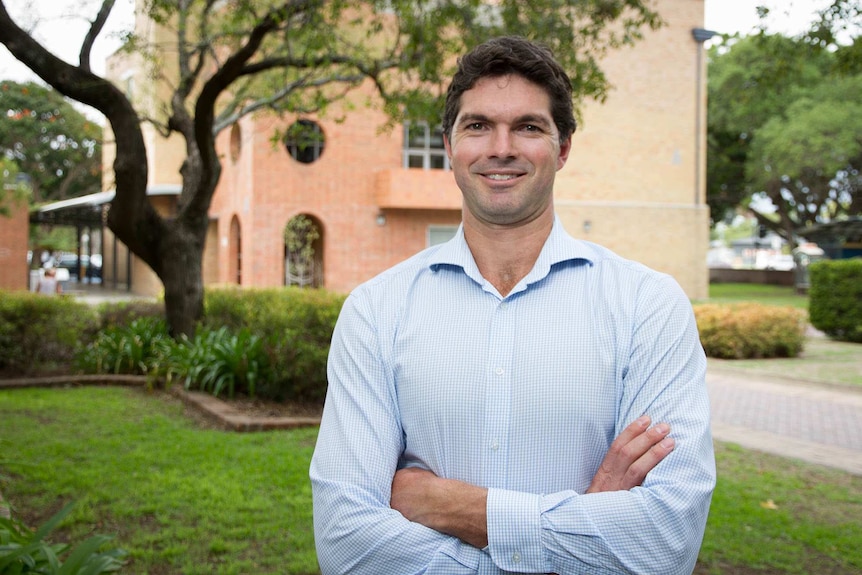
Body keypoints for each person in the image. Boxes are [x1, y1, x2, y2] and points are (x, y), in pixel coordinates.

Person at [310, 36, 715, 575]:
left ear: (563, 148)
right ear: (450, 147)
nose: (501, 148)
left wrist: (451, 506)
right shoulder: (376, 311)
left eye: (528, 127)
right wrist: (588, 520)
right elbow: (347, 541)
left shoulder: (648, 307)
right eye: (477, 126)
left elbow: (666, 540)